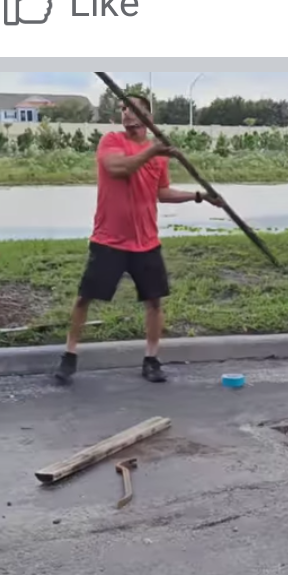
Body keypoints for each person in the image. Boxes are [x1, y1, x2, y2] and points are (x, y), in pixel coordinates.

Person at [56, 101, 221, 385]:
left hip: (146, 241)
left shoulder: (158, 155)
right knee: (85, 297)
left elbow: (162, 192)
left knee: (154, 301)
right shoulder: (112, 141)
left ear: (147, 116)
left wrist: (198, 196)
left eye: (132, 109)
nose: (127, 114)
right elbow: (118, 168)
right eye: (123, 109)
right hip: (108, 239)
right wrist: (152, 151)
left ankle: (151, 359)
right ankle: (69, 355)